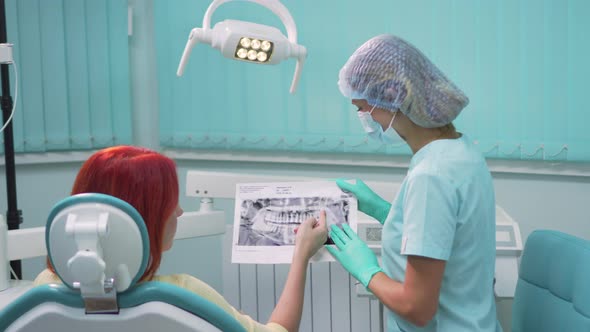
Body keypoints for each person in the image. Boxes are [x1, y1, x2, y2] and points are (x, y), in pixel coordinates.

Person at [34, 145, 328, 332]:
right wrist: (300, 256)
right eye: (168, 204)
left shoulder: (45, 291)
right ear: (144, 217)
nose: (179, 210)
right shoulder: (181, 296)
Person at [325, 35, 501, 331]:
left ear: (393, 95)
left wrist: (367, 271)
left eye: (362, 108)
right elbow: (448, 228)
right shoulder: (460, 150)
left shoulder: (431, 175)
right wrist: (386, 212)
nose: (363, 119)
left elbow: (416, 308)